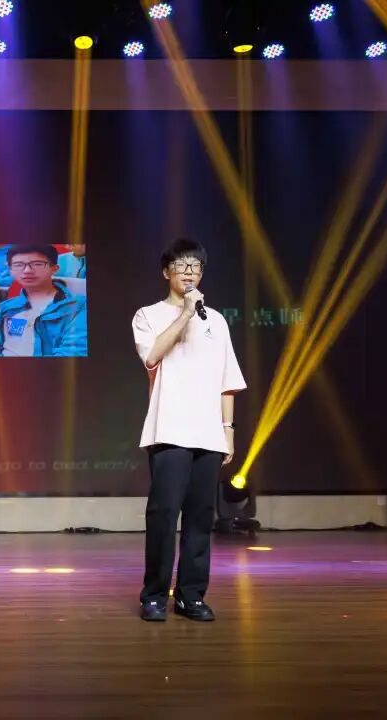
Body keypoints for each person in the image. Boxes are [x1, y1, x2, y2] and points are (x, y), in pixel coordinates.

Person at [131, 238, 246, 622]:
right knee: (164, 514)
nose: (190, 273)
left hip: (208, 432)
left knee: (200, 517)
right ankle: (153, 595)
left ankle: (191, 595)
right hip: (168, 429)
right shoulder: (148, 315)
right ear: (167, 272)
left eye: (196, 267)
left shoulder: (217, 321)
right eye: (182, 266)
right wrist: (184, 313)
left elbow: (227, 380)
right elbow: (151, 356)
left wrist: (228, 430)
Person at [0, 244, 87, 357]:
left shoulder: (78, 307)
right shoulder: (5, 307)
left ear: (54, 268)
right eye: (18, 265)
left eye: (37, 264)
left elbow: (73, 353)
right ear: (10, 270)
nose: (27, 270)